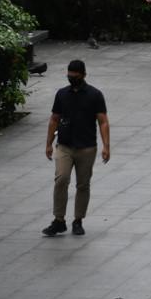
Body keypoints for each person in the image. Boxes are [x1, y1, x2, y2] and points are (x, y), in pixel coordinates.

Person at [42, 60, 110, 237]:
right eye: (69, 75)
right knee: (61, 179)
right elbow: (54, 119)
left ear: (83, 75)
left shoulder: (95, 95)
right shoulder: (62, 94)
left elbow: (102, 121)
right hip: (65, 146)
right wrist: (49, 143)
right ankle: (59, 220)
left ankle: (78, 219)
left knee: (83, 184)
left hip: (86, 147)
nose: (71, 78)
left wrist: (106, 146)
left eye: (75, 75)